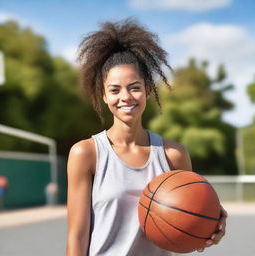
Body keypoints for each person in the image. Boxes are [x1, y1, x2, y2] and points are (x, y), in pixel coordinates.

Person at [66, 18, 227, 256]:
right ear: (103, 95)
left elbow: (191, 224)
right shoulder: (86, 153)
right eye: (114, 89)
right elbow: (77, 237)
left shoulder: (174, 155)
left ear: (147, 91)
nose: (126, 97)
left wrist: (210, 225)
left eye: (134, 87)